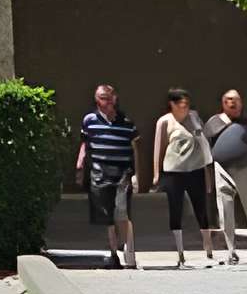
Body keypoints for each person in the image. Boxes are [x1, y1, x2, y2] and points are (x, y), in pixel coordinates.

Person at [75, 81, 138, 268]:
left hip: (122, 173)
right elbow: (85, 144)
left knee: (122, 213)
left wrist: (137, 175)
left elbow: (135, 149)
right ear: (96, 100)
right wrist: (79, 166)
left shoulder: (127, 122)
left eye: (110, 98)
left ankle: (128, 250)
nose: (107, 102)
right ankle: (113, 255)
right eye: (103, 98)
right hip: (100, 172)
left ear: (115, 99)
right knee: (106, 215)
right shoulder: (89, 121)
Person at [204, 87, 247, 264]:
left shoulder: (246, 125)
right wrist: (207, 177)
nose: (233, 103)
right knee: (225, 211)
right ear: (223, 103)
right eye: (230, 100)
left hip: (246, 168)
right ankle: (231, 250)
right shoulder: (213, 123)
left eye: (237, 100)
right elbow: (205, 151)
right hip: (221, 170)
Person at [150, 87, 212, 267]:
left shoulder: (194, 117)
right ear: (172, 104)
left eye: (186, 103)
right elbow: (159, 148)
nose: (184, 107)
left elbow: (203, 145)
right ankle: (180, 253)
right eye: (180, 103)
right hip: (174, 171)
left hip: (196, 168)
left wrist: (207, 172)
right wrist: (156, 174)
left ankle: (208, 249)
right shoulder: (165, 121)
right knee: (176, 210)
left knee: (201, 208)